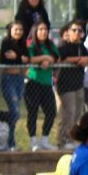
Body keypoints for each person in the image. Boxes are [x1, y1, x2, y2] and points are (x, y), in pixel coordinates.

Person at [56, 21, 88, 149]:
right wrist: (78, 60)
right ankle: (65, 140)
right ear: (68, 32)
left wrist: (86, 59)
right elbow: (63, 58)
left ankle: (71, 137)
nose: (77, 33)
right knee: (68, 113)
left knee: (77, 113)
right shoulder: (63, 45)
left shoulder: (81, 47)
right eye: (74, 30)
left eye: (79, 31)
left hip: (78, 84)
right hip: (66, 86)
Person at [25, 21, 59, 151]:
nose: (43, 32)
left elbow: (56, 57)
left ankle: (45, 139)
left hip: (46, 83)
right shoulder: (32, 44)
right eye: (40, 29)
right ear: (35, 31)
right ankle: (33, 140)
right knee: (32, 111)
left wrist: (49, 59)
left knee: (51, 111)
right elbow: (30, 59)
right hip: (33, 82)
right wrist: (45, 57)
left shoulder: (50, 44)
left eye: (45, 29)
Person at [0, 22, 30, 150]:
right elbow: (5, 59)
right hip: (8, 78)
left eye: (21, 29)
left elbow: (27, 58)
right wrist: (19, 57)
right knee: (15, 111)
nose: (18, 32)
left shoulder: (22, 43)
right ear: (10, 30)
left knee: (16, 111)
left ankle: (10, 141)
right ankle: (10, 142)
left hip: (19, 78)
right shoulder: (6, 42)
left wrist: (17, 56)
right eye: (16, 29)